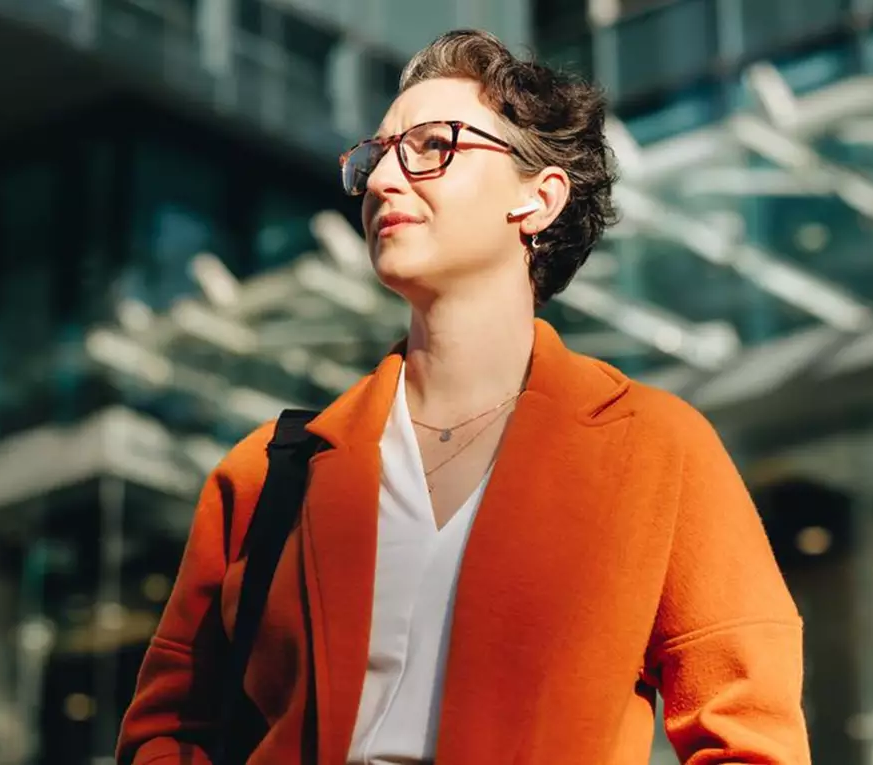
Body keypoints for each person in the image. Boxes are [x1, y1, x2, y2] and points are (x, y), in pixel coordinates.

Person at [117, 29, 810, 765]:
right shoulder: (266, 472)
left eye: (432, 144)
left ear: (538, 198)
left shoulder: (656, 447)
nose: (385, 179)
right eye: (375, 156)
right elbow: (164, 730)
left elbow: (750, 736)